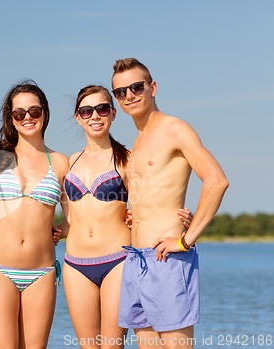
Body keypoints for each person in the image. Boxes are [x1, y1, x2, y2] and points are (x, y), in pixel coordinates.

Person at [62, 85, 193, 349]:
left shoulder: (127, 159)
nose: (94, 116)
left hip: (117, 262)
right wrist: (58, 230)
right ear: (78, 117)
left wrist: (182, 217)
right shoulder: (70, 161)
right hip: (75, 264)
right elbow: (70, 213)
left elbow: (154, 200)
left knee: (111, 346)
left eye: (102, 109)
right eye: (87, 111)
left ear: (112, 114)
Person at [111, 58, 229, 348]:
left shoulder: (176, 129)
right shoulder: (135, 143)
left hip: (168, 258)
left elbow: (217, 181)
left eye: (136, 87)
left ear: (153, 88)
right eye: (120, 92)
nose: (129, 96)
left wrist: (186, 240)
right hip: (136, 258)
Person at [0, 81, 70, 348]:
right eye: (19, 113)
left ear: (45, 112)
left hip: (41, 272)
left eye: (34, 111)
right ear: (11, 118)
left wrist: (60, 230)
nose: (27, 118)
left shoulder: (62, 162)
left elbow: (76, 216)